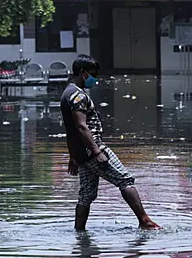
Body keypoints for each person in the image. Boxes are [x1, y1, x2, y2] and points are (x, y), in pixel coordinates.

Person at [60, 54, 160, 231]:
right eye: (93, 75)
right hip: (93, 149)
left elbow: (70, 130)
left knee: (86, 196)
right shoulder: (77, 96)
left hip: (82, 154)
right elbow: (81, 127)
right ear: (83, 73)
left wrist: (73, 156)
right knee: (125, 180)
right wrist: (97, 152)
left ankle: (79, 234)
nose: (94, 79)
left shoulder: (68, 92)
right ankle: (145, 221)